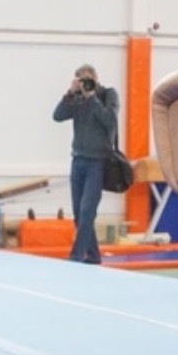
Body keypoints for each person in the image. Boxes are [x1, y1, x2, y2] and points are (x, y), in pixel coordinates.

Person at [50, 64, 118, 265]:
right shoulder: (77, 98)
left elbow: (109, 120)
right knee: (79, 213)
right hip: (78, 159)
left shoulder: (107, 95)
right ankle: (94, 255)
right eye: (81, 79)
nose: (85, 83)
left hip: (98, 161)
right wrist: (69, 94)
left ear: (96, 78)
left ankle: (76, 255)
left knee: (88, 210)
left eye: (88, 79)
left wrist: (92, 97)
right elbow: (57, 116)